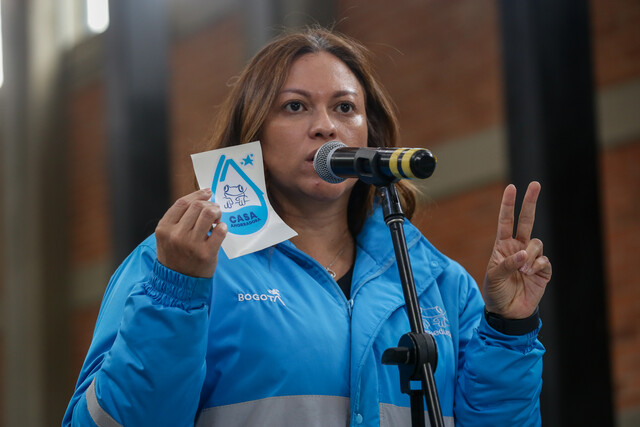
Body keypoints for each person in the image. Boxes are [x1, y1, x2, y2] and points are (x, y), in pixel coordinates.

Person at [63, 27, 552, 427]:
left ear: (370, 134)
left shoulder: (439, 283)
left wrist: (509, 329)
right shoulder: (181, 261)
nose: (326, 127)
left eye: (344, 108)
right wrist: (176, 295)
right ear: (253, 132)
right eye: (295, 106)